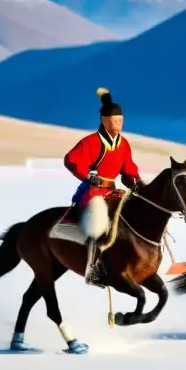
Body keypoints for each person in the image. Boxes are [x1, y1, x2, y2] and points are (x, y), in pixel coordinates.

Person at [63, 88, 142, 287]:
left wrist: (135, 181)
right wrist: (89, 175)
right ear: (104, 121)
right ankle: (92, 269)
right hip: (93, 192)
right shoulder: (91, 142)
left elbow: (128, 168)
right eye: (115, 121)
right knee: (98, 223)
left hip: (113, 190)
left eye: (121, 121)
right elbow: (71, 159)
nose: (118, 125)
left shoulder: (124, 144)